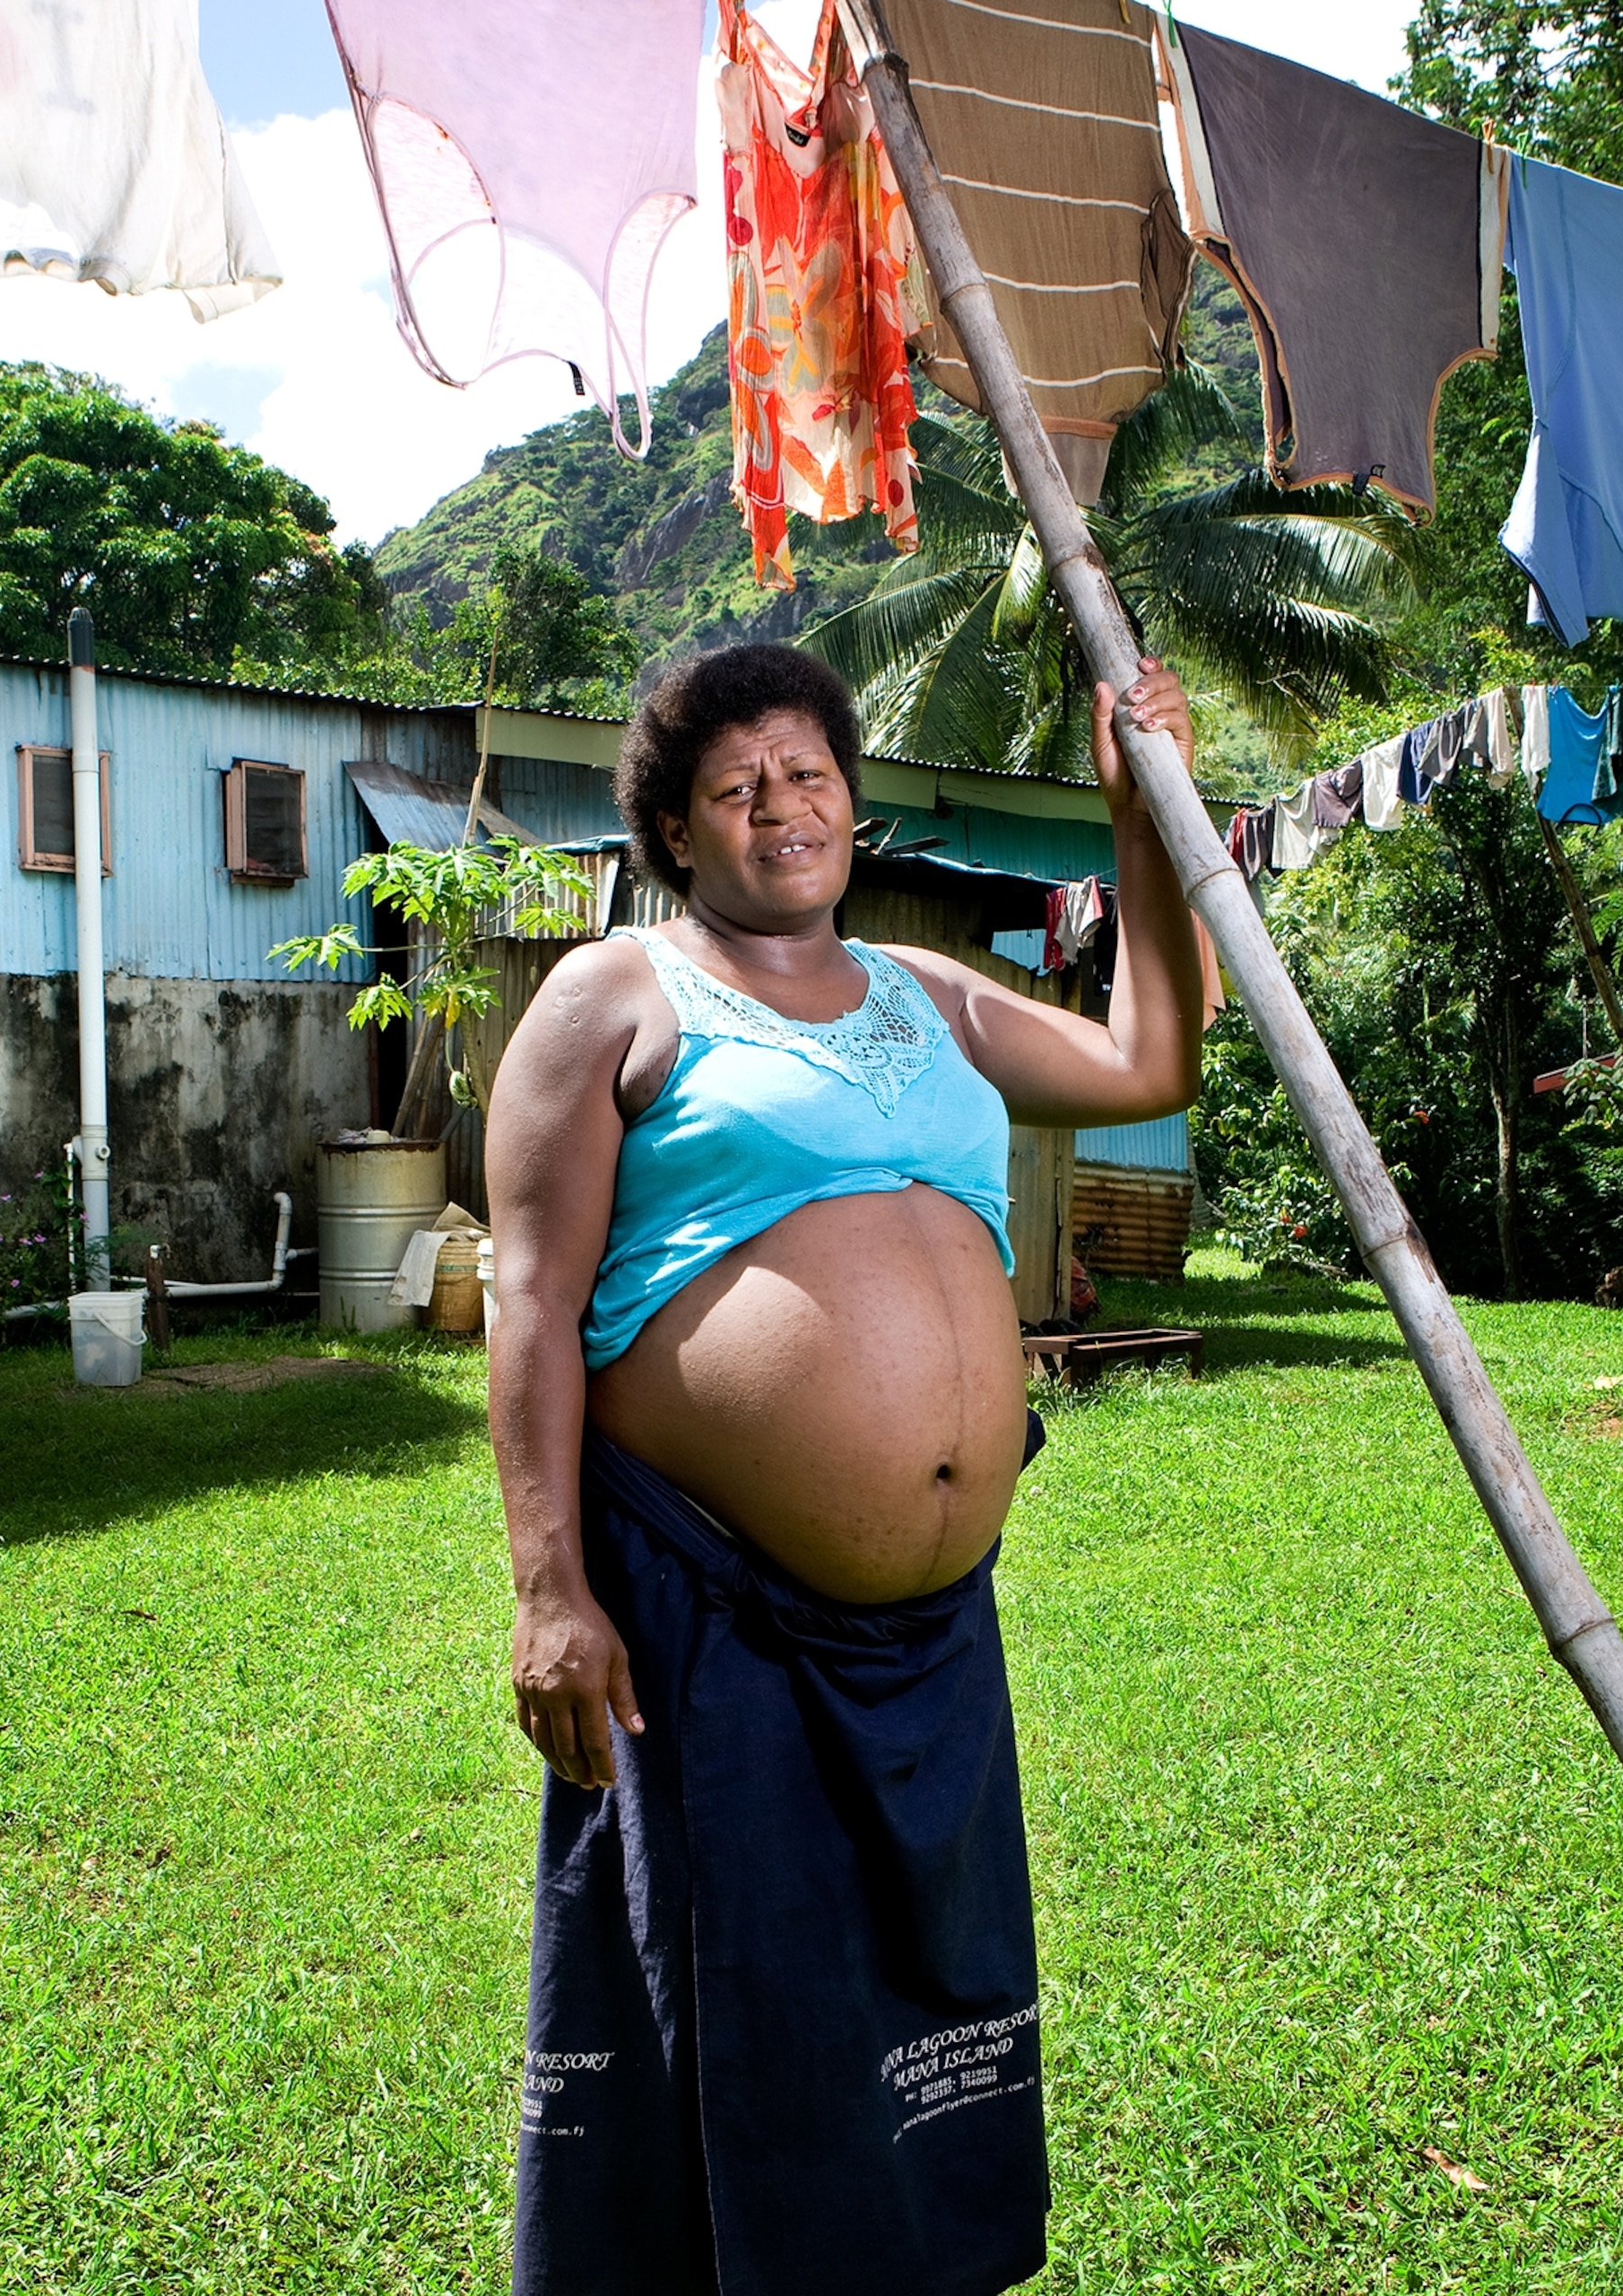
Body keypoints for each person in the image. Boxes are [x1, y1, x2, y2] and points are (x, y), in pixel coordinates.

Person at [487, 642, 1203, 2296]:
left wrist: (1142, 824)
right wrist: (549, 1588)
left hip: (929, 1644)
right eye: (734, 786)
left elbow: (1149, 1058)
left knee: (917, 2013)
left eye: (805, 772)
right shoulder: (616, 999)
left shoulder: (929, 994)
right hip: (712, 1609)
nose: (778, 805)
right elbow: (529, 1299)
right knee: (742, 2011)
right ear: (676, 829)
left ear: (852, 800)